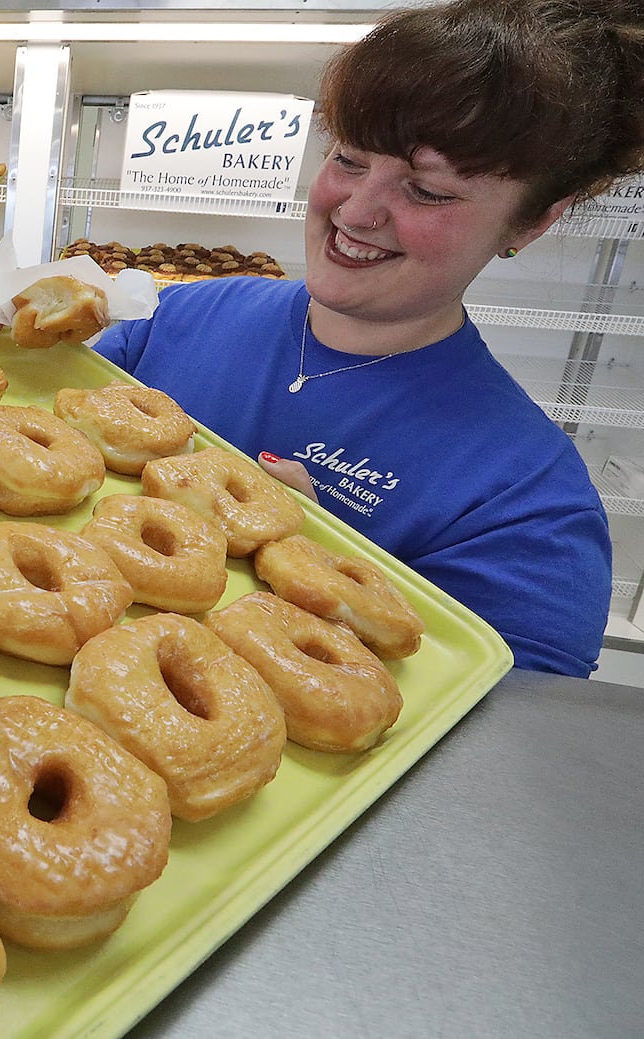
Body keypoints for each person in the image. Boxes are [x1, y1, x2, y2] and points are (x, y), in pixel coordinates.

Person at [93, 0, 644, 675]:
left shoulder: (525, 504)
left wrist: (333, 572)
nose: (355, 212)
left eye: (428, 190)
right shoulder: (177, 320)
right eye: (349, 159)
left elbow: (504, 751)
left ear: (533, 223)